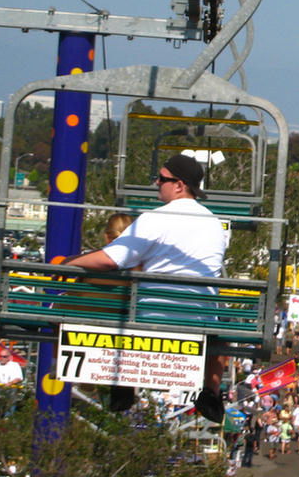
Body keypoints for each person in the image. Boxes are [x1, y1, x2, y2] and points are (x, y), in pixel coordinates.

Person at [63, 154, 228, 423]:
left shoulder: (156, 219)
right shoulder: (214, 224)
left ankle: (123, 382)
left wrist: (69, 263)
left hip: (151, 318)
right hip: (200, 322)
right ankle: (211, 389)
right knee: (224, 331)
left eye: (162, 178)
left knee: (118, 301)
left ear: (178, 185)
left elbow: (110, 259)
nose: (156, 183)